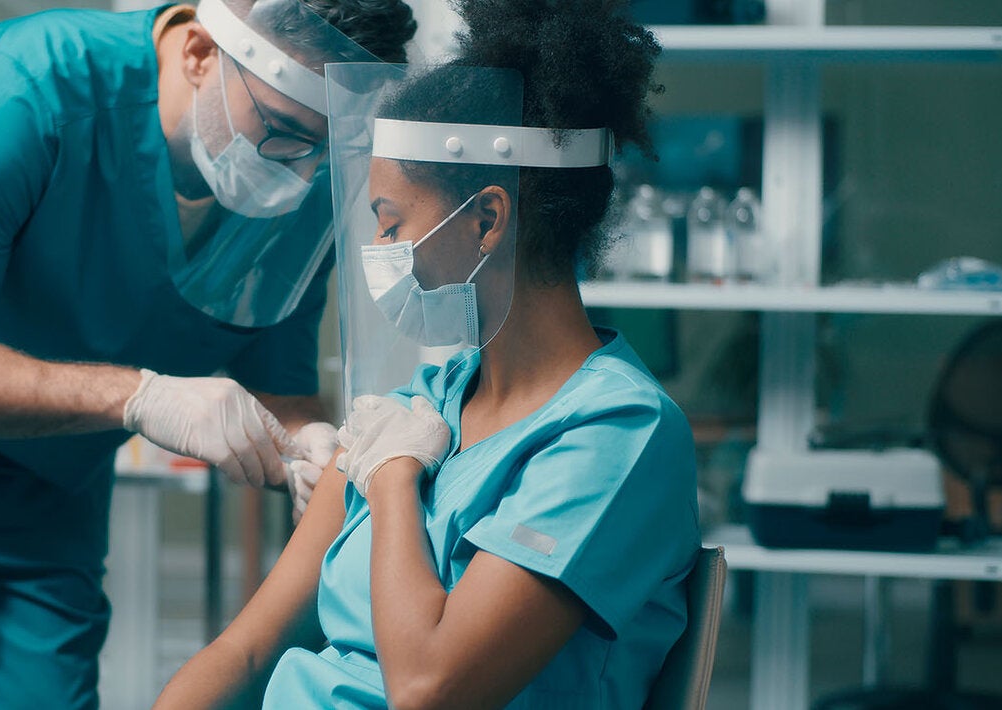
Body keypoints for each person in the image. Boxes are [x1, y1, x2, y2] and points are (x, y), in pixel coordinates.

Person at [0, 1, 415, 707]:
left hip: (42, 479)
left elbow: (281, 386)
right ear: (198, 52)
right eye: (279, 131)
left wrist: (310, 446)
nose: (296, 173)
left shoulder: (296, 188)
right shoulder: (17, 89)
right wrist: (141, 397)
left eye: (322, 150)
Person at [154, 1, 699, 707]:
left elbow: (427, 687)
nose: (379, 254)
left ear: (486, 220)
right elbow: (248, 647)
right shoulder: (429, 399)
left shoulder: (618, 435)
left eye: (392, 224)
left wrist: (392, 479)